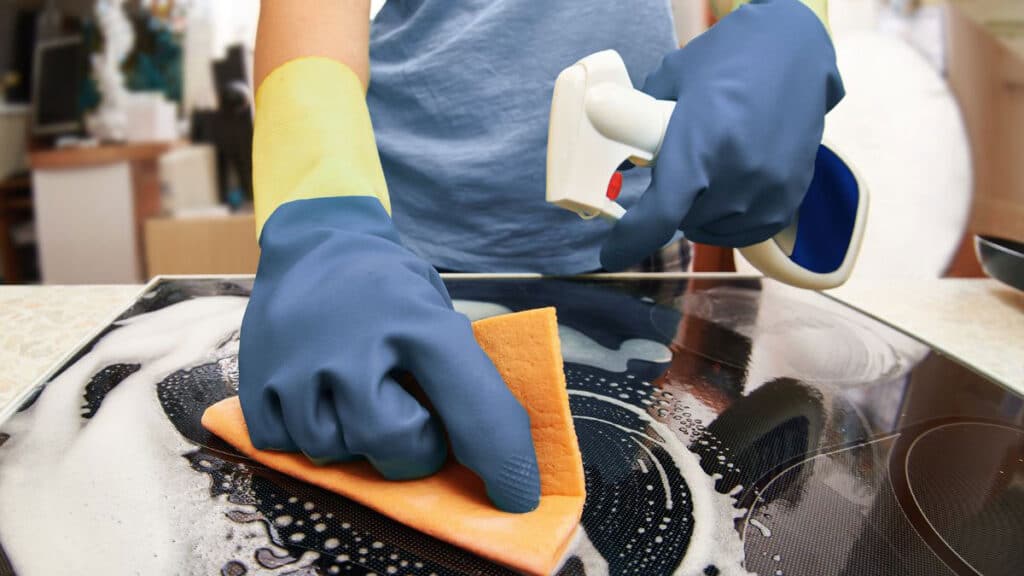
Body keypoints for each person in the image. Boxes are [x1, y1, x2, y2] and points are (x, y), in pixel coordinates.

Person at [238, 0, 843, 513]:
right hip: (403, 253)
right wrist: (325, 215)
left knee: (610, 496)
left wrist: (783, 18)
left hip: (638, 236)